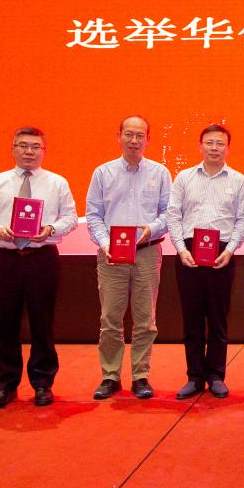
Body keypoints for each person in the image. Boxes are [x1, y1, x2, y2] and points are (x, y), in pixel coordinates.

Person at [0, 127, 77, 409]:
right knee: (5, 324)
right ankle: (5, 385)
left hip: (42, 258)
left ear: (44, 150)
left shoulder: (57, 183)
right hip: (5, 259)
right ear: (13, 148)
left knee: (43, 324)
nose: (29, 151)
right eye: (23, 145)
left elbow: (70, 217)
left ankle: (42, 383)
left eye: (35, 146)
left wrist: (50, 228)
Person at [85, 116, 172, 401]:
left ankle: (140, 376)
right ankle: (110, 376)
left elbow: (168, 213)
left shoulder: (160, 173)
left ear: (148, 139)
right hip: (112, 256)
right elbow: (94, 215)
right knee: (110, 318)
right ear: (119, 136)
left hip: (148, 252)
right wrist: (105, 243)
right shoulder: (103, 173)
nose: (134, 140)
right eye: (129, 134)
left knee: (145, 319)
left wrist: (152, 229)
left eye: (140, 135)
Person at [166, 124, 244, 400]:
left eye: (220, 144)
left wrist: (231, 250)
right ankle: (194, 376)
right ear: (200, 146)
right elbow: (173, 216)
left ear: (228, 148)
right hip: (188, 253)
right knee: (192, 319)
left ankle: (215, 376)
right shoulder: (184, 177)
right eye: (210, 143)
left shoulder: (238, 180)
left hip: (222, 254)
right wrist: (181, 249)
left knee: (218, 319)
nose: (215, 148)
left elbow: (242, 219)